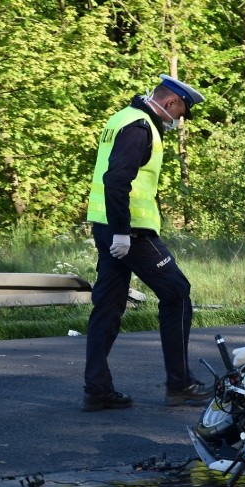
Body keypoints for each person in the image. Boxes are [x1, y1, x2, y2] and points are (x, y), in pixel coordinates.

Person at [82, 74, 209, 411]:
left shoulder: (121, 117)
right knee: (177, 293)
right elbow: (117, 178)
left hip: (109, 227)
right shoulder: (140, 127)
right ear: (170, 103)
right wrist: (123, 231)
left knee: (108, 306)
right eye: (180, 113)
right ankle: (180, 385)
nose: (178, 121)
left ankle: (98, 390)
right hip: (130, 232)